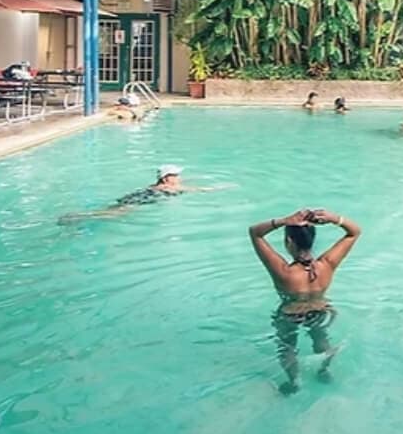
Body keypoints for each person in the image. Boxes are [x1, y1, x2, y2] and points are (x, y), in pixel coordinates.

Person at [249, 208, 361, 394]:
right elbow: (354, 232)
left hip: (289, 313)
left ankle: (294, 382)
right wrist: (334, 218)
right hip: (319, 310)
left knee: (287, 348)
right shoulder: (327, 264)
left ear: (289, 241)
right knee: (321, 340)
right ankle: (323, 370)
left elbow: (255, 232)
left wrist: (284, 220)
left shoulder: (283, 272)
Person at [57, 165, 231, 224]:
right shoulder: (169, 188)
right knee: (113, 214)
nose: (179, 178)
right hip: (142, 200)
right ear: (165, 178)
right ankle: (80, 217)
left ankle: (82, 216)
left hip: (139, 195)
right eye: (175, 175)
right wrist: (218, 188)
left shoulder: (160, 185)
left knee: (113, 210)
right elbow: (197, 190)